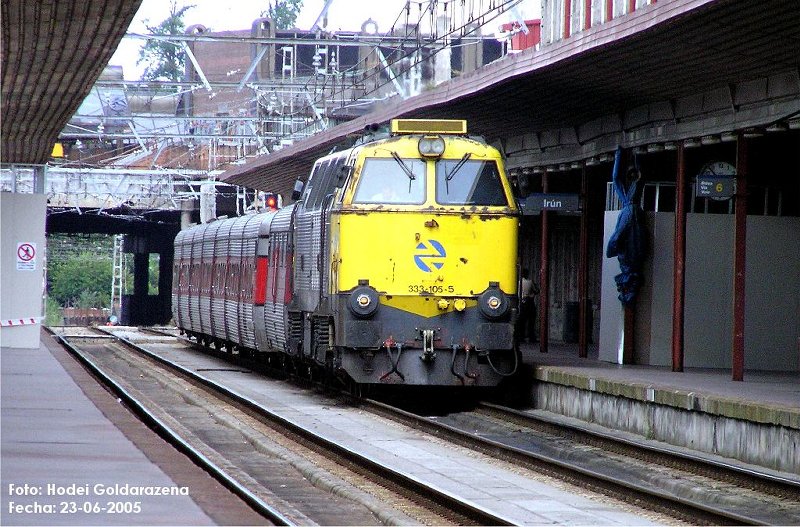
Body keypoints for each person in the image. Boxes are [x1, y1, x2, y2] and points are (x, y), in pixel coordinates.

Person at [517, 268, 538, 343]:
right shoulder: (530, 282)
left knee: (522, 321)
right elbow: (536, 290)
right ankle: (531, 337)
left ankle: (521, 337)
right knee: (531, 321)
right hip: (529, 302)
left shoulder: (519, 282)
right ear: (527, 274)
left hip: (521, 302)